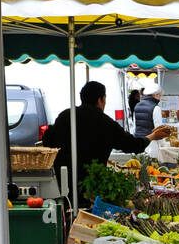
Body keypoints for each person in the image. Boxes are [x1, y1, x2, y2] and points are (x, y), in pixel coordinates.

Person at [41, 80, 170, 190]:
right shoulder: (104, 122)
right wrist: (153, 136)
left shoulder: (66, 116)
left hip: (64, 181)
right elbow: (132, 145)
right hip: (92, 183)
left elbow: (47, 138)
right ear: (100, 99)